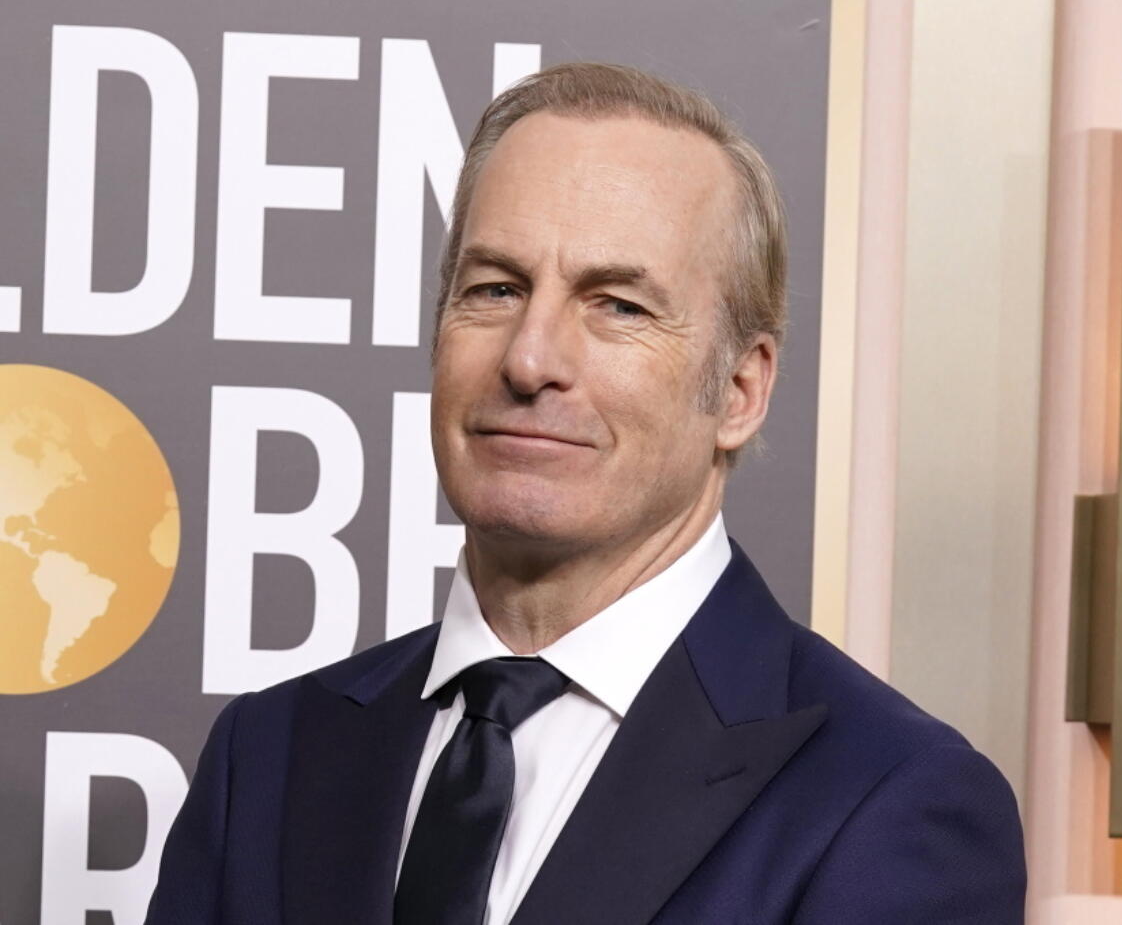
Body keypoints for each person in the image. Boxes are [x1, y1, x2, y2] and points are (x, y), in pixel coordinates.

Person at [146, 62, 1026, 924]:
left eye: (618, 306)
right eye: (495, 289)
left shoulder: (888, 803)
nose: (530, 360)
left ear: (740, 391)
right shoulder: (266, 760)